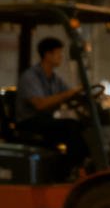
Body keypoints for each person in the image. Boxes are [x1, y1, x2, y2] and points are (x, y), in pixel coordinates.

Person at [15, 37, 87, 172]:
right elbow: (40, 105)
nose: (61, 57)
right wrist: (69, 94)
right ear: (48, 55)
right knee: (72, 127)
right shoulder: (30, 76)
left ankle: (81, 166)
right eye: (58, 53)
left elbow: (69, 95)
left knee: (85, 127)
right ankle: (65, 170)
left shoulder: (55, 78)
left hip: (46, 121)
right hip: (29, 122)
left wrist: (80, 95)